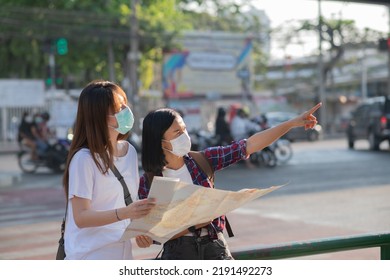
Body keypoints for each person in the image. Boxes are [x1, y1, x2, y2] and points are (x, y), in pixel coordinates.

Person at [136, 103, 322, 260]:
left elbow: (249, 145)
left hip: (215, 249)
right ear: (160, 142)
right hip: (178, 255)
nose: (185, 136)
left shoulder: (203, 160)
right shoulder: (150, 181)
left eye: (184, 129)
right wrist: (144, 237)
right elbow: (151, 231)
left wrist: (291, 123)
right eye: (177, 132)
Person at [62, 80, 156, 260]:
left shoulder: (129, 152)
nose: (126, 112)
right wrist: (125, 213)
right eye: (118, 109)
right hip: (90, 257)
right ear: (98, 117)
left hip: (122, 254)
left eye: (124, 105)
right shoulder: (84, 159)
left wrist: (140, 229)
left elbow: (128, 201)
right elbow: (81, 217)